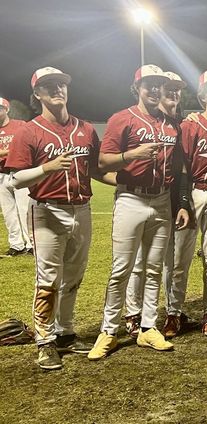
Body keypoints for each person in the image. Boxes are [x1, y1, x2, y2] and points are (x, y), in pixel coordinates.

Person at [5, 66, 113, 369]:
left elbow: (95, 169)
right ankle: (45, 340)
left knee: (75, 277)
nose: (57, 89)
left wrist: (127, 183)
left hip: (82, 208)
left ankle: (65, 332)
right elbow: (14, 179)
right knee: (48, 279)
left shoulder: (86, 128)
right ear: (37, 94)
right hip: (47, 210)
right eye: (48, 86)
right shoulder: (29, 130)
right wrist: (46, 168)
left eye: (61, 84)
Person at [88, 65, 188, 360]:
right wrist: (132, 155)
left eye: (159, 85)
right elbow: (102, 162)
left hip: (161, 200)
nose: (155, 90)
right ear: (138, 87)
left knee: (154, 269)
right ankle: (108, 331)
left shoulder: (172, 123)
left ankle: (148, 327)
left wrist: (180, 203)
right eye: (150, 85)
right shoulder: (122, 118)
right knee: (122, 269)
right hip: (131, 198)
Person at [124, 71, 192, 339]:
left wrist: (184, 201)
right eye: (168, 88)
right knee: (140, 262)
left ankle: (171, 313)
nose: (173, 93)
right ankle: (133, 314)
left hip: (174, 199)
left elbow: (184, 169)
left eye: (177, 89)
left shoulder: (180, 125)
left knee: (172, 263)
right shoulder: (145, 122)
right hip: (146, 198)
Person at [167, 69, 207, 337]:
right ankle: (173, 313)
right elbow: (181, 168)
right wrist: (183, 201)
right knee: (180, 258)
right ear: (202, 95)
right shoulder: (190, 125)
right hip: (195, 192)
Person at [0, 96, 33, 256]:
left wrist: (5, 152)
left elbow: (27, 145)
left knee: (25, 210)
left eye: (0, 108)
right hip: (0, 175)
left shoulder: (20, 125)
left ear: (6, 109)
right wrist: (11, 150)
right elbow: (16, 148)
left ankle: (31, 244)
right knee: (9, 213)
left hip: (19, 172)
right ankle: (16, 245)